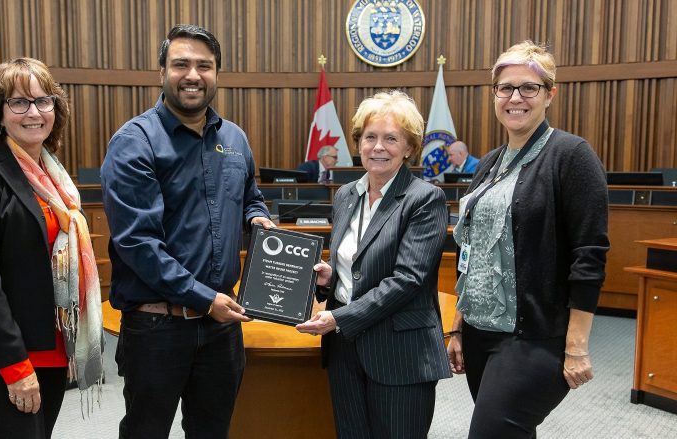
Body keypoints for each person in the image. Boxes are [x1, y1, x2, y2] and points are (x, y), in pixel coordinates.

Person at [100, 24, 274, 438]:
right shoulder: (134, 141)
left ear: (217, 74)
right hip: (157, 328)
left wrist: (258, 220)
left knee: (213, 431)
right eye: (181, 64)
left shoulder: (234, 138)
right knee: (147, 431)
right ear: (161, 71)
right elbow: (138, 244)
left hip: (220, 328)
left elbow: (250, 196)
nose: (193, 75)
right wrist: (204, 298)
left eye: (204, 66)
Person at [446, 41, 609, 438]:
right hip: (481, 334)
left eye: (528, 88)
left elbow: (589, 255)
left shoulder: (572, 155)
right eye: (506, 88)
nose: (515, 97)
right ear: (494, 95)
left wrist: (577, 345)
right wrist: (457, 325)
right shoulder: (488, 163)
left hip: (535, 336)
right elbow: (472, 249)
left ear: (550, 94)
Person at [0, 57, 104, 438]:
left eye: (43, 101)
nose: (33, 112)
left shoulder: (54, 178)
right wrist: (15, 366)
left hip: (48, 348)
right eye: (19, 102)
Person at [296, 90, 450, 438]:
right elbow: (359, 265)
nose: (378, 147)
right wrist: (330, 278)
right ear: (358, 143)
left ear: (409, 147)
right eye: (370, 137)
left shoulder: (425, 199)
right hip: (345, 350)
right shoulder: (347, 194)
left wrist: (339, 317)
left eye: (391, 138)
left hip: (399, 352)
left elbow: (408, 280)